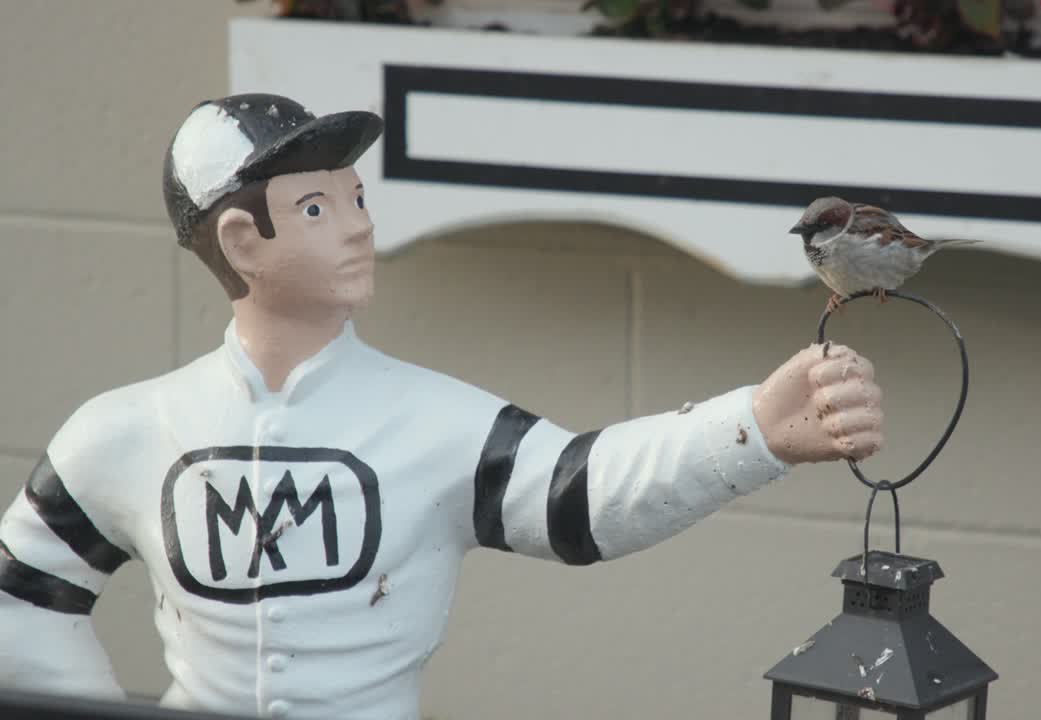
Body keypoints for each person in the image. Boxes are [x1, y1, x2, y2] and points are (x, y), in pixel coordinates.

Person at [0, 94, 884, 720]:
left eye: (356, 197)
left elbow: (577, 494)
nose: (357, 225)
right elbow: (24, 601)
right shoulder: (123, 432)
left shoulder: (433, 423)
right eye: (315, 205)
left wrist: (753, 429)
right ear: (242, 240)